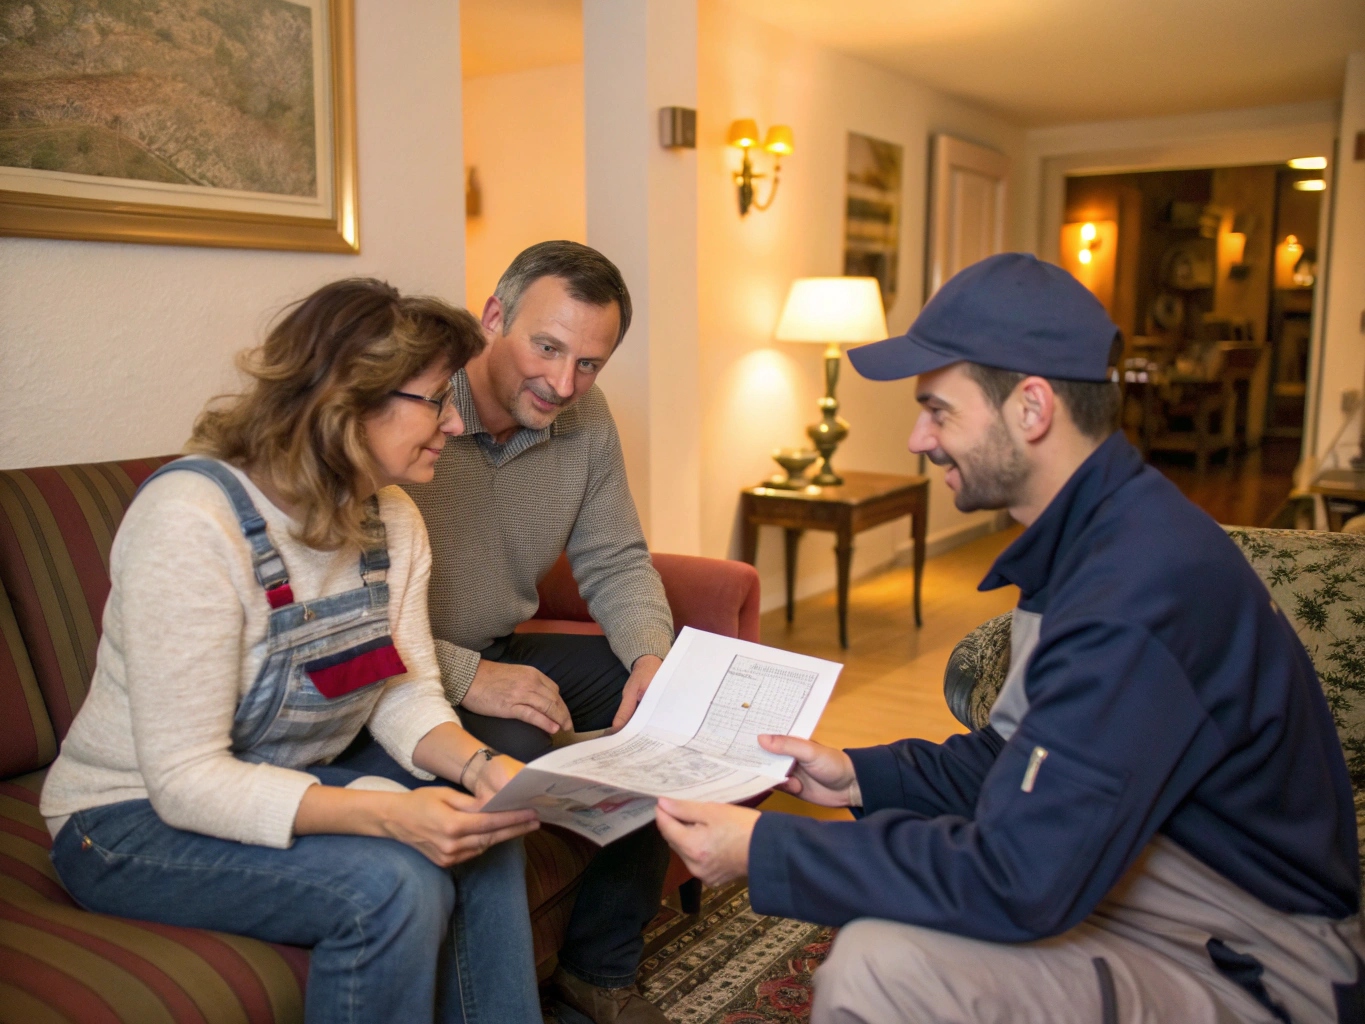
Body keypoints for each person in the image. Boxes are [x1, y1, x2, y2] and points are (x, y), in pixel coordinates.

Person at [655, 253, 1363, 1024]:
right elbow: (1023, 761)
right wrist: (857, 776)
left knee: (878, 966)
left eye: (938, 409)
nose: (918, 440)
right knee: (892, 929)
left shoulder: (1134, 590)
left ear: (1030, 409)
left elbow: (1018, 875)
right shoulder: (1098, 537)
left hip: (1254, 955)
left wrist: (760, 849)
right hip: (1156, 879)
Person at [40, 279, 544, 1024]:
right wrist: (387, 817)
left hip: (286, 772)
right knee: (394, 888)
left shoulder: (394, 518)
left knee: (484, 833)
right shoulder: (192, 521)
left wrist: (482, 768)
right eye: (436, 399)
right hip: (127, 820)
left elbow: (402, 690)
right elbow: (183, 780)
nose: (454, 423)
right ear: (350, 400)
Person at [340, 241, 674, 1023]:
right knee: (513, 755)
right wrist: (460, 675)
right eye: (547, 347)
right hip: (402, 670)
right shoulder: (410, 408)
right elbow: (346, 606)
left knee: (664, 708)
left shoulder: (584, 420)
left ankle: (599, 971)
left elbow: (617, 558)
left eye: (589, 363)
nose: (564, 384)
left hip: (498, 645)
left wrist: (650, 659)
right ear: (494, 316)